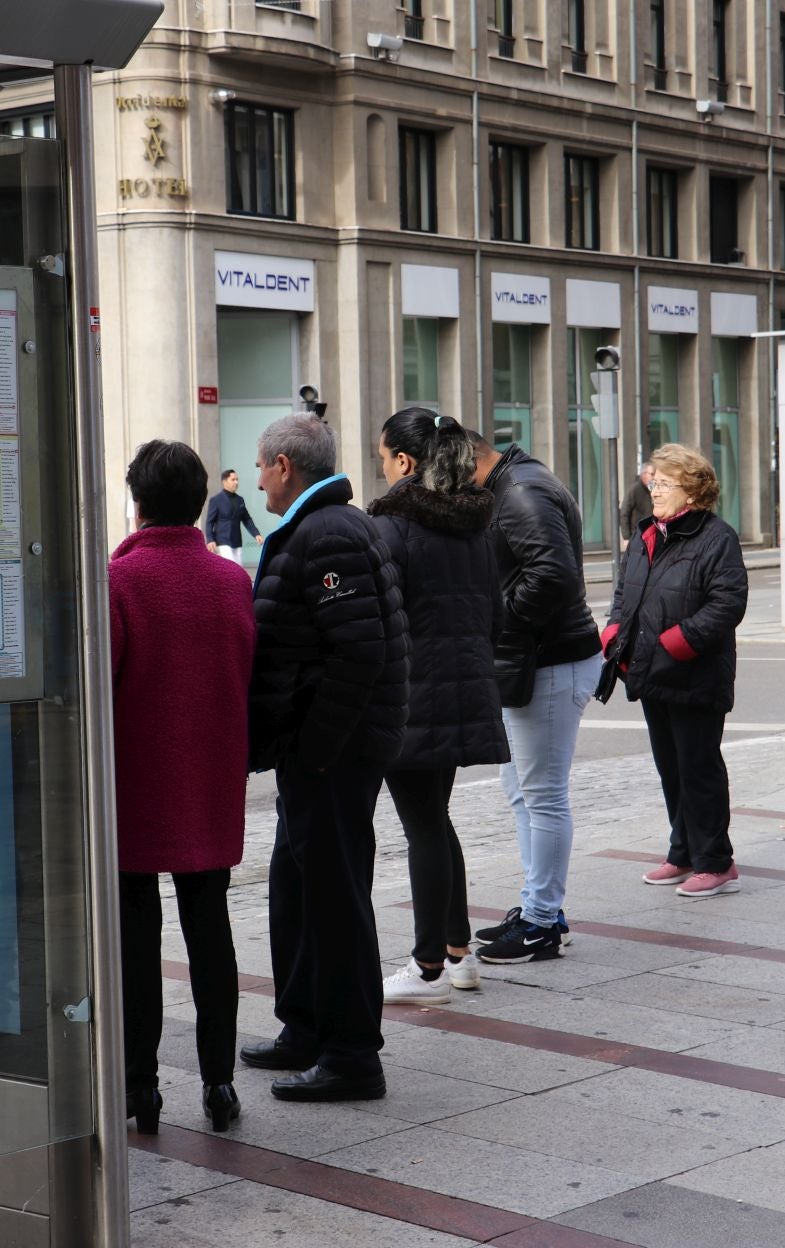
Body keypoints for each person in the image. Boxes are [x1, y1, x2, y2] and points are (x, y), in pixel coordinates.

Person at [240, 412, 409, 1102]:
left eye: (260, 466)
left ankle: (351, 1055)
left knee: (335, 896)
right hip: (317, 751)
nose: (255, 479)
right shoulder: (319, 527)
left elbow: (360, 654)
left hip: (333, 753)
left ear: (285, 466)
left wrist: (314, 749)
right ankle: (305, 1025)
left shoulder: (330, 531)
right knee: (296, 884)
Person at [109, 441, 256, 1135]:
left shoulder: (118, 582)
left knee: (135, 937)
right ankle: (219, 1083)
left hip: (136, 781)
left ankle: (141, 1088)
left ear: (137, 501)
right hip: (210, 778)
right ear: (201, 499)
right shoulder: (230, 582)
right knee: (210, 929)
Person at [368, 408, 508, 1005]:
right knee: (436, 819)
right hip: (464, 687)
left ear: (403, 463)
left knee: (422, 825)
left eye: (382, 457)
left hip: (411, 695)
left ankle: (426, 967)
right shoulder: (474, 527)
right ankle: (459, 952)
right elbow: (497, 615)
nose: (381, 468)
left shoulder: (393, 527)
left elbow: (376, 621)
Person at [466, 429, 603, 964]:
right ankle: (538, 908)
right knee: (524, 789)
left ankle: (543, 921)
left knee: (541, 793)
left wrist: (504, 624)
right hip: (545, 657)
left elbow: (554, 575)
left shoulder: (518, 490)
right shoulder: (517, 481)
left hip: (551, 659)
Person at [602, 445, 749, 899]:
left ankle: (716, 862)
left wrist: (676, 642)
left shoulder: (714, 537)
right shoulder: (649, 534)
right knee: (671, 769)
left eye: (665, 483)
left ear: (692, 489)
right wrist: (612, 632)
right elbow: (626, 593)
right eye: (654, 482)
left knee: (698, 767)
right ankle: (683, 851)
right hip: (651, 672)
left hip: (694, 673)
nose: (655, 490)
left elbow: (728, 603)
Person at [205, 468, 263, 565]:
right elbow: (209, 522)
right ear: (224, 481)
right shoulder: (216, 499)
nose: (236, 482)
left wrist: (256, 534)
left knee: (238, 570)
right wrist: (210, 539)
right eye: (233, 480)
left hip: (237, 542)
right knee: (229, 570)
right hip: (222, 542)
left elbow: (247, 519)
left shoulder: (240, 500)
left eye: (237, 479)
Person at [618, 460, 655, 550]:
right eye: (652, 474)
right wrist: (626, 537)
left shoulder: (653, 490)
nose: (654, 477)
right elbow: (624, 513)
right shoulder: (634, 490)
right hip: (637, 536)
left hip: (651, 536)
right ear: (644, 474)